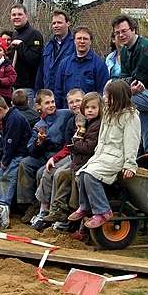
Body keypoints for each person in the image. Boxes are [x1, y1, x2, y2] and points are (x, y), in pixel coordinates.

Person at [69, 80, 142, 229]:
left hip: (117, 157)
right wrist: (97, 155)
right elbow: (102, 137)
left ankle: (103, 211)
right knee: (81, 173)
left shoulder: (130, 117)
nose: (106, 100)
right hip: (102, 155)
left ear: (119, 98)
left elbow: (132, 142)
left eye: (110, 97)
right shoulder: (108, 113)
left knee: (90, 175)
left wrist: (130, 164)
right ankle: (85, 207)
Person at [114, 14, 148, 168]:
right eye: (117, 33)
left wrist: (126, 89)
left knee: (115, 100)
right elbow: (124, 78)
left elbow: (137, 80)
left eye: (124, 31)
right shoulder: (124, 51)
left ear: (133, 29)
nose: (121, 35)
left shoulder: (145, 47)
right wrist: (128, 87)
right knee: (147, 131)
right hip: (141, 97)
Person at [43, 91, 102, 229]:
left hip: (88, 161)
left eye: (93, 108)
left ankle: (74, 220)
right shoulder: (77, 121)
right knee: (61, 174)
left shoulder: (96, 125)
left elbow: (87, 147)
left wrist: (75, 143)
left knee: (72, 176)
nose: (89, 110)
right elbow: (70, 144)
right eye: (87, 108)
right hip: (78, 158)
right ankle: (58, 210)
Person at [32, 88, 85, 230]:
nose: (74, 105)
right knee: (43, 170)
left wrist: (55, 158)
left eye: (78, 101)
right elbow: (69, 145)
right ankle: (44, 210)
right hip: (69, 153)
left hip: (81, 157)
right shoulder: (69, 120)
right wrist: (52, 155)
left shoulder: (87, 118)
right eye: (71, 102)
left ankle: (58, 213)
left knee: (58, 174)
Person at [18, 89, 73, 223]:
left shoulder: (65, 114)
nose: (51, 105)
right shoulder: (38, 125)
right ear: (38, 106)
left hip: (61, 155)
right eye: (47, 103)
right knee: (25, 163)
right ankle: (30, 204)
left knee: (41, 172)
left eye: (53, 101)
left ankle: (45, 207)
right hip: (44, 155)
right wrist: (39, 142)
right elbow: (31, 149)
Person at [0, 94, 31, 214]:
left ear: (0, 109)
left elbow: (11, 143)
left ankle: (3, 206)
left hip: (18, 154)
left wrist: (5, 162)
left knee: (7, 177)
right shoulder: (8, 117)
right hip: (10, 153)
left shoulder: (14, 119)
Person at [54, 26, 109, 109]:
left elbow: (102, 93)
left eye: (85, 39)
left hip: (89, 113)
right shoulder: (64, 64)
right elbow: (58, 91)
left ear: (90, 41)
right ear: (74, 41)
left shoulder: (99, 65)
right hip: (67, 112)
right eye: (79, 38)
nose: (82, 41)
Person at [10, 4, 43, 105]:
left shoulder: (34, 34)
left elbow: (34, 60)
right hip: (14, 85)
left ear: (26, 16)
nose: (16, 17)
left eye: (20, 14)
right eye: (14, 15)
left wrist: (20, 46)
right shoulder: (15, 34)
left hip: (27, 88)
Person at [35, 10, 74, 91]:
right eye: (54, 23)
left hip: (67, 94)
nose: (56, 26)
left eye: (59, 23)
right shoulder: (47, 46)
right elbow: (41, 72)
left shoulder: (75, 45)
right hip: (49, 94)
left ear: (68, 23)